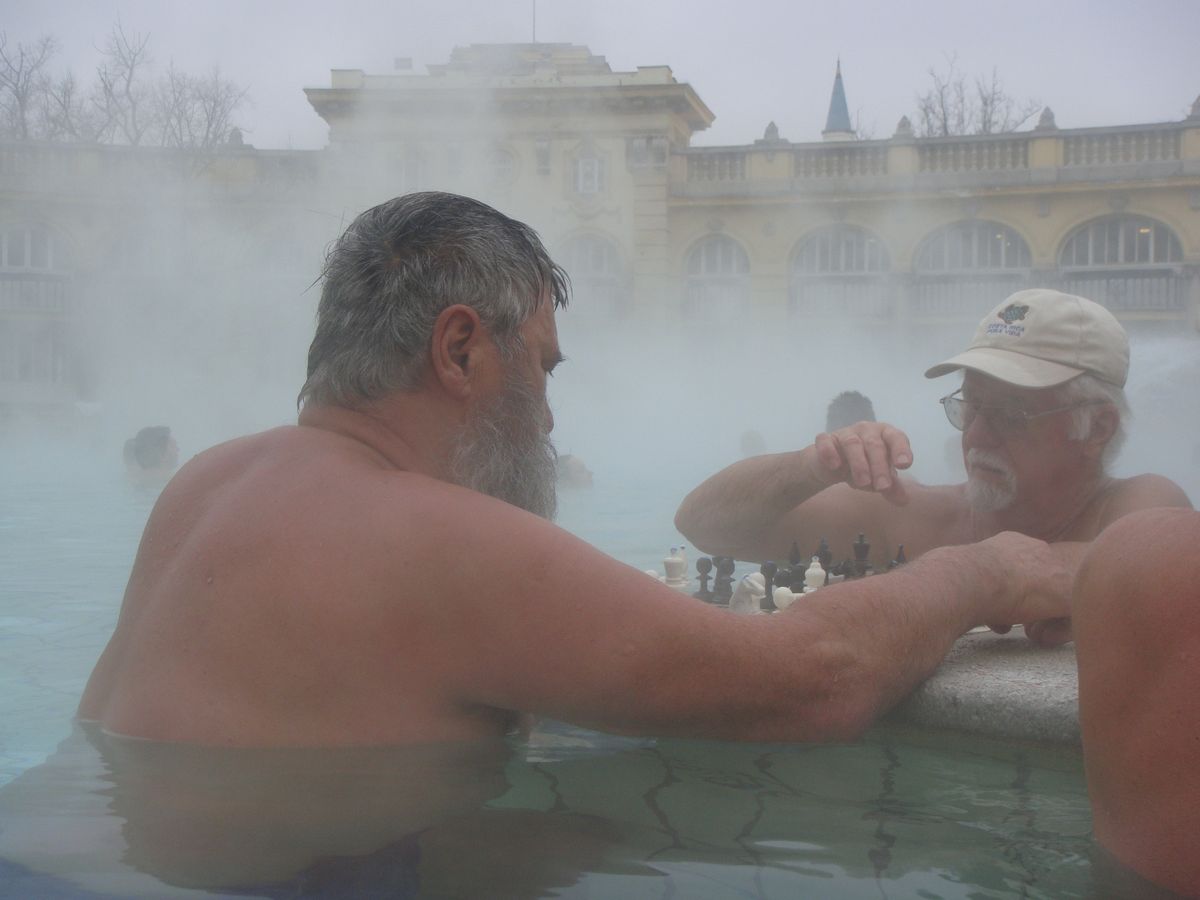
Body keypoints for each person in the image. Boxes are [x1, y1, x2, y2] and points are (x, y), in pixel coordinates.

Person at [79, 193, 1074, 748]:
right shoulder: (439, 539)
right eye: (541, 369)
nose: (550, 415)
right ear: (460, 350)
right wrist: (981, 575)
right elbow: (809, 682)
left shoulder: (202, 486)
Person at [675, 289, 1192, 643]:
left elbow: (1143, 570)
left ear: (1097, 428)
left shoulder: (1138, 505)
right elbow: (702, 526)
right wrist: (813, 464)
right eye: (970, 405)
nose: (977, 434)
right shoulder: (910, 512)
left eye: (1012, 414)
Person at [1074, 507, 1200, 897]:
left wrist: (982, 575)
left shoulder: (1155, 555)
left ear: (1095, 441)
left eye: (1017, 438)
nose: (979, 442)